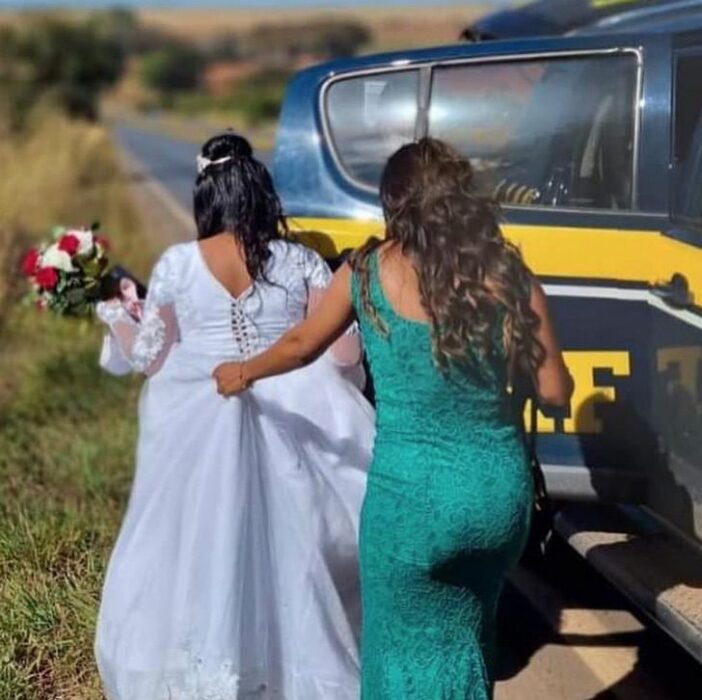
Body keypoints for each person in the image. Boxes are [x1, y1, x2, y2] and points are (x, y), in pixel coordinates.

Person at [214, 138, 573, 699]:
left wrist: (243, 371)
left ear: (393, 204)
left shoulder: (366, 273)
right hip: (494, 501)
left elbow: (304, 343)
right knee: (467, 638)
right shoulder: (507, 273)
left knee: (396, 651)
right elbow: (554, 391)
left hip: (411, 509)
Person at [94, 132, 374, 700]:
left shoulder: (178, 264)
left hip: (205, 418)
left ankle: (225, 668)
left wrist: (113, 314)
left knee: (207, 550)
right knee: (297, 555)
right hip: (301, 420)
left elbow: (150, 357)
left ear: (206, 198)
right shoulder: (297, 261)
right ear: (260, 191)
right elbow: (342, 354)